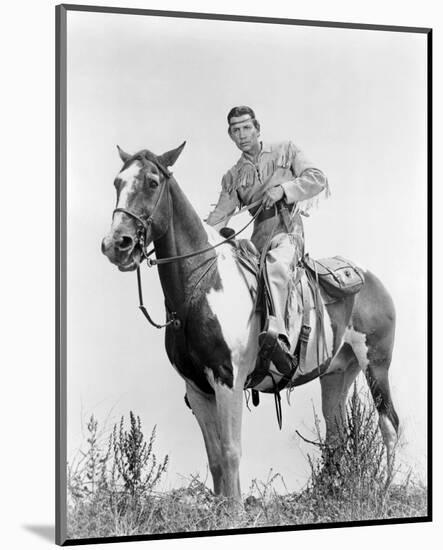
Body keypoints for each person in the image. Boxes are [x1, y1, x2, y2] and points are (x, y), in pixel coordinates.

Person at [206, 106, 329, 374]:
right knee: (234, 274)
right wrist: (198, 233)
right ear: (230, 135)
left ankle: (280, 340)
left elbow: (317, 179)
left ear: (257, 128)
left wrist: (284, 190)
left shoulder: (286, 150)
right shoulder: (233, 176)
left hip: (288, 230)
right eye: (235, 130)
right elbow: (219, 217)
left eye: (246, 127)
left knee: (276, 268)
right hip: (258, 238)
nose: (242, 134)